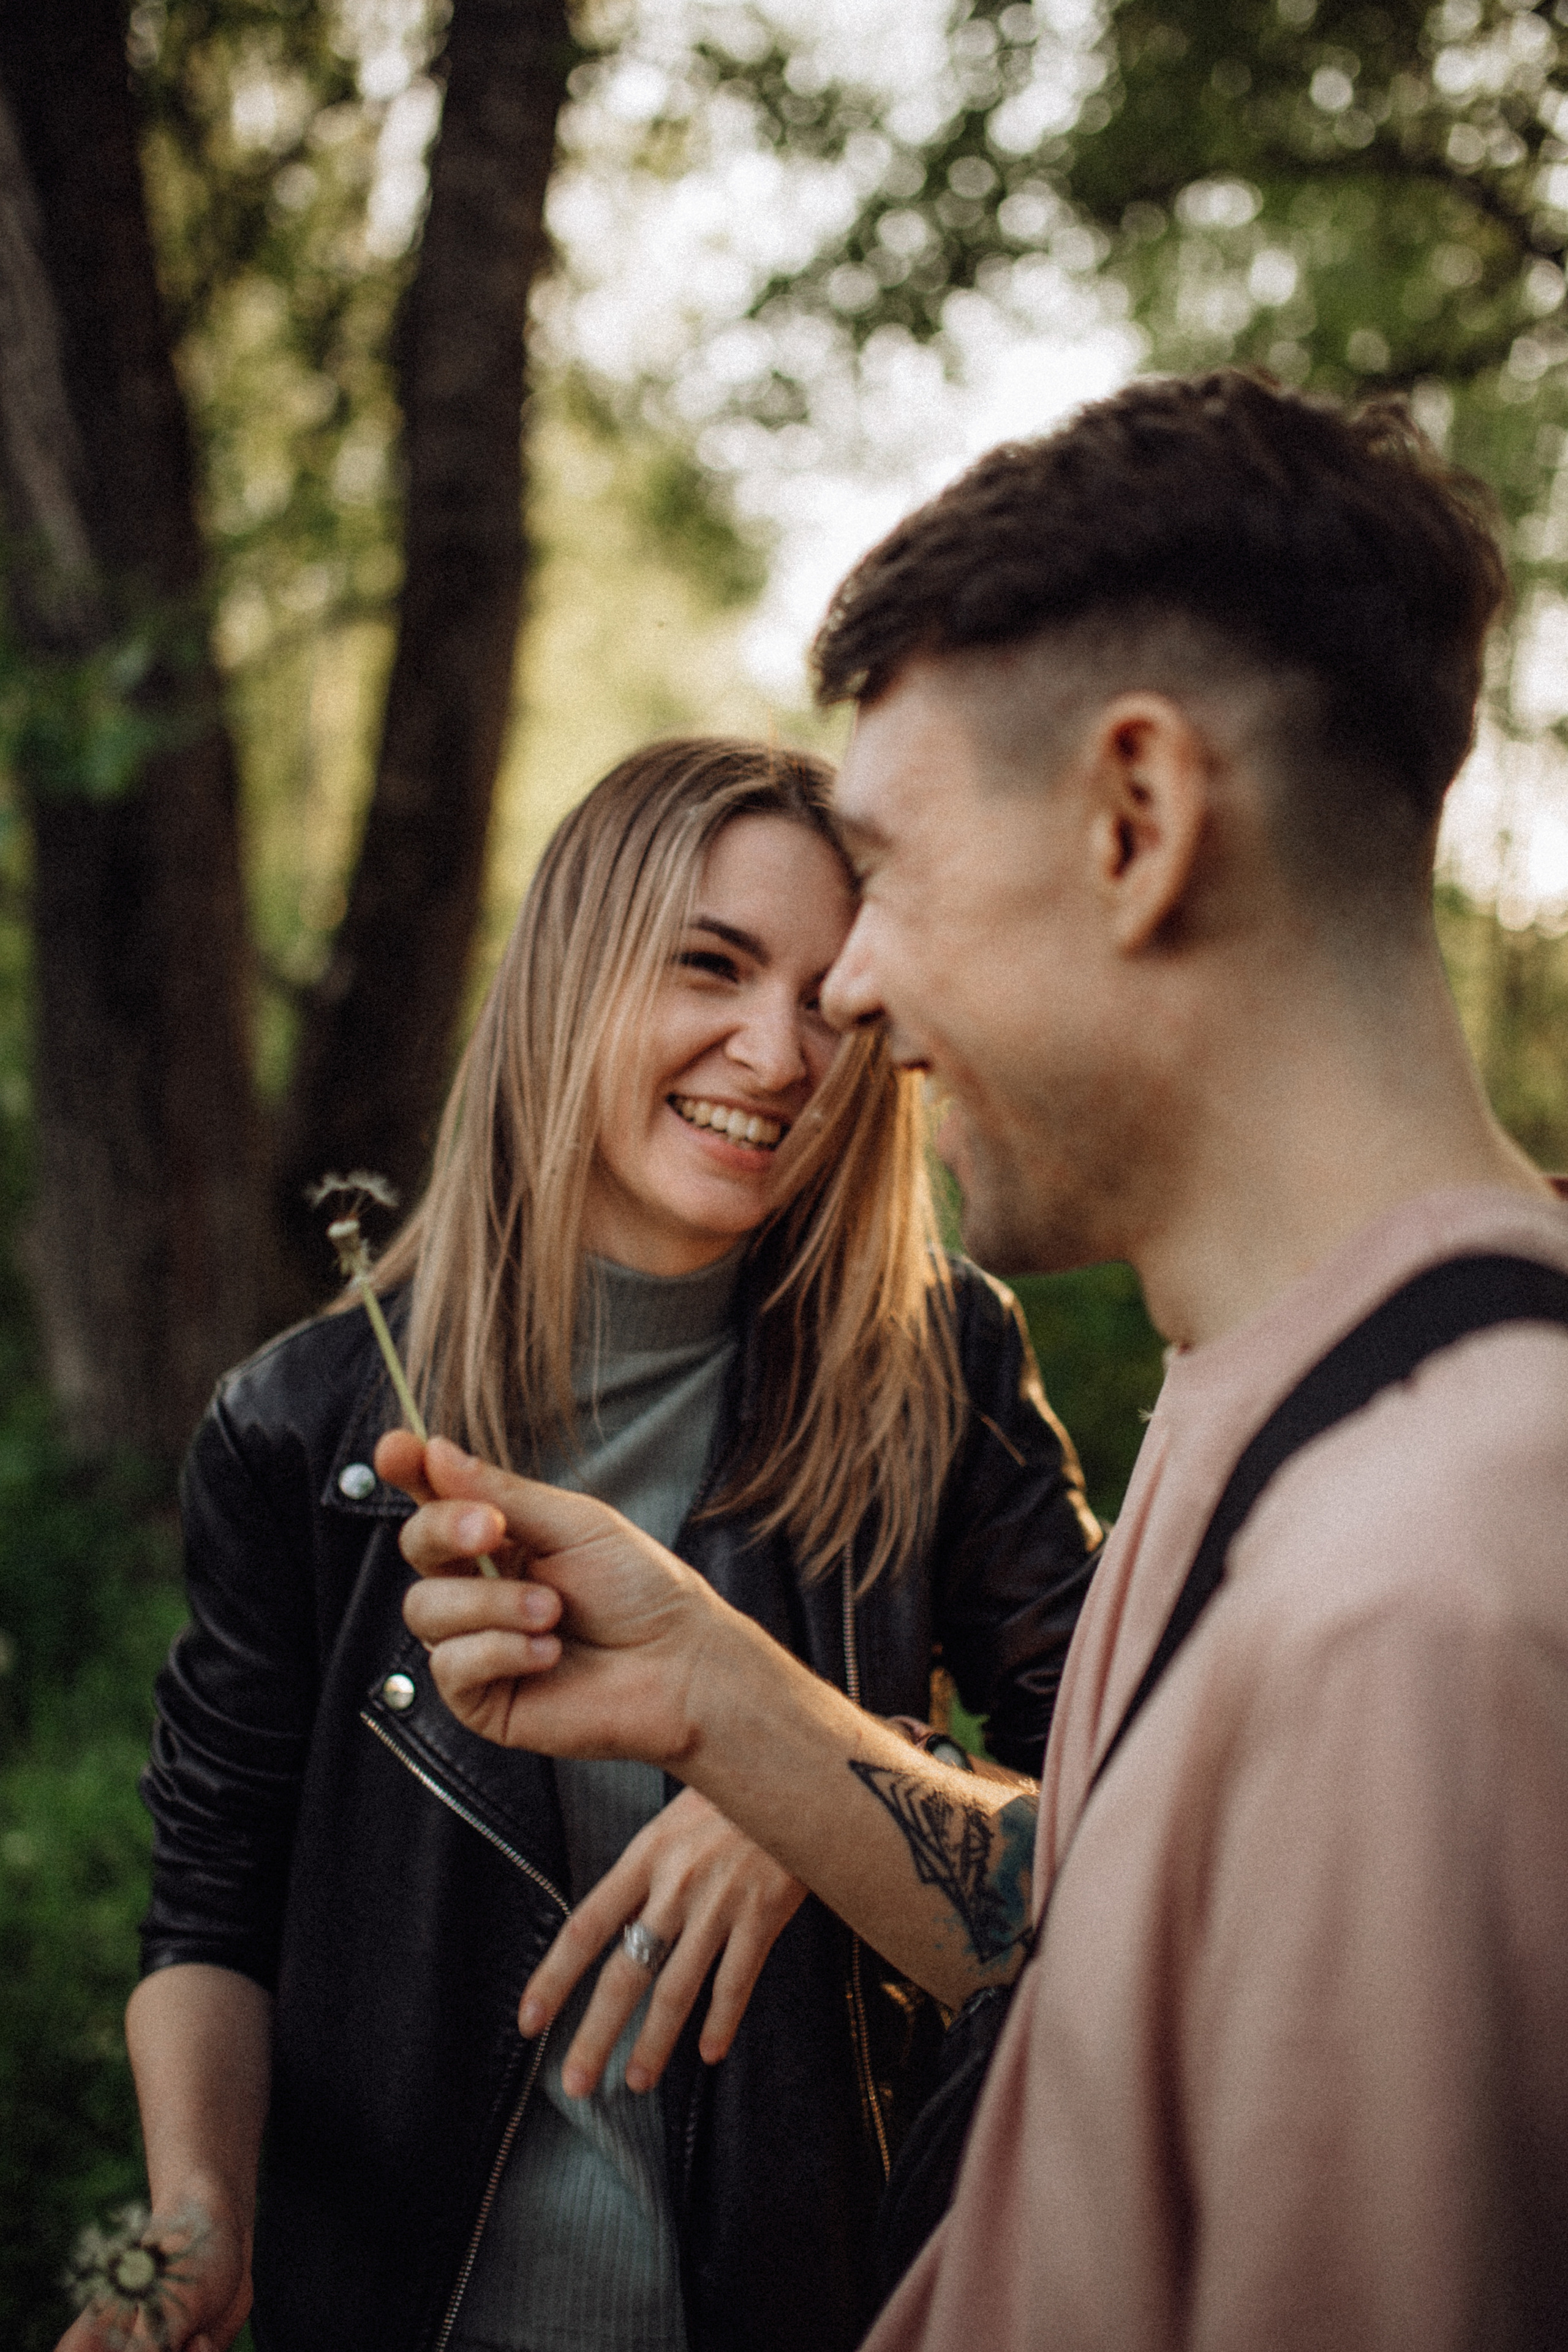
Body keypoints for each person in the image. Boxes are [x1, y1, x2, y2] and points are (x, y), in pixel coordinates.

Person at [394, 371, 1568, 2350]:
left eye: (891, 875)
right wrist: (720, 1693)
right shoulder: (1279, 1401)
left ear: (1136, 819)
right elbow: (1103, 1919)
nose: (848, 991)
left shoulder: (1427, 1604)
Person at [80, 735, 1102, 2352]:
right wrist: (202, 2214)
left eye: (834, 999)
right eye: (711, 966)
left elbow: (1152, 1827)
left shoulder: (939, 1365)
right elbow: (214, 1915)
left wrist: (817, 1784)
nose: (777, 1052)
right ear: (571, 971)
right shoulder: (300, 1424)